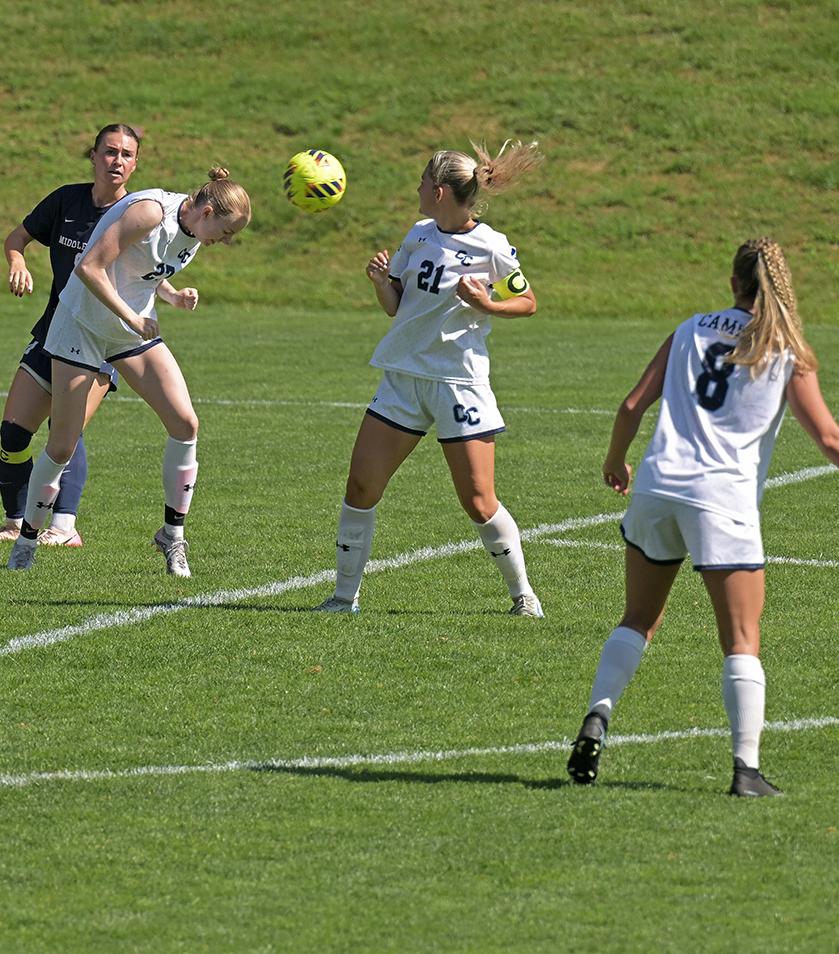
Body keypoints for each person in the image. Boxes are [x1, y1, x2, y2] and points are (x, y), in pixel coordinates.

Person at [566, 239, 839, 797]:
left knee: (638, 618)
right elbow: (830, 438)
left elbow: (630, 406)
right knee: (741, 638)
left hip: (658, 485)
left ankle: (597, 715)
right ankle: (746, 771)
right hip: (723, 500)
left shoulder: (691, 327)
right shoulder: (787, 350)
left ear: (733, 282)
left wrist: (615, 459)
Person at [314, 141, 545, 615]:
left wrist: (489, 305)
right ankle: (342, 599)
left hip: (457, 385)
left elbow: (527, 302)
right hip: (402, 378)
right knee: (360, 487)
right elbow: (399, 307)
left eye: (422, 181)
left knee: (479, 502)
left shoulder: (491, 246)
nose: (417, 188)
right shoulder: (419, 234)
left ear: (439, 191)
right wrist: (382, 283)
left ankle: (524, 596)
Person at [6, 168, 251, 577]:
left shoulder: (193, 231)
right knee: (62, 445)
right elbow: (90, 267)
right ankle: (28, 538)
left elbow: (143, 272)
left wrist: (172, 296)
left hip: (128, 331)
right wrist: (133, 319)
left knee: (185, 422)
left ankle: (172, 537)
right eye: (225, 233)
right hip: (81, 325)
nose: (225, 243)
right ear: (207, 211)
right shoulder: (150, 212)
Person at [0, 123, 142, 547]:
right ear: (93, 156)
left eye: (127, 154)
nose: (117, 161)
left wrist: (172, 291)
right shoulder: (65, 200)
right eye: (110, 152)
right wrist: (17, 262)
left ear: (134, 164)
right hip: (54, 328)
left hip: (100, 339)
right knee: (14, 433)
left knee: (64, 431)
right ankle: (15, 521)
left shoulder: (136, 213)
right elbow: (16, 238)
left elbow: (148, 271)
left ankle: (64, 526)